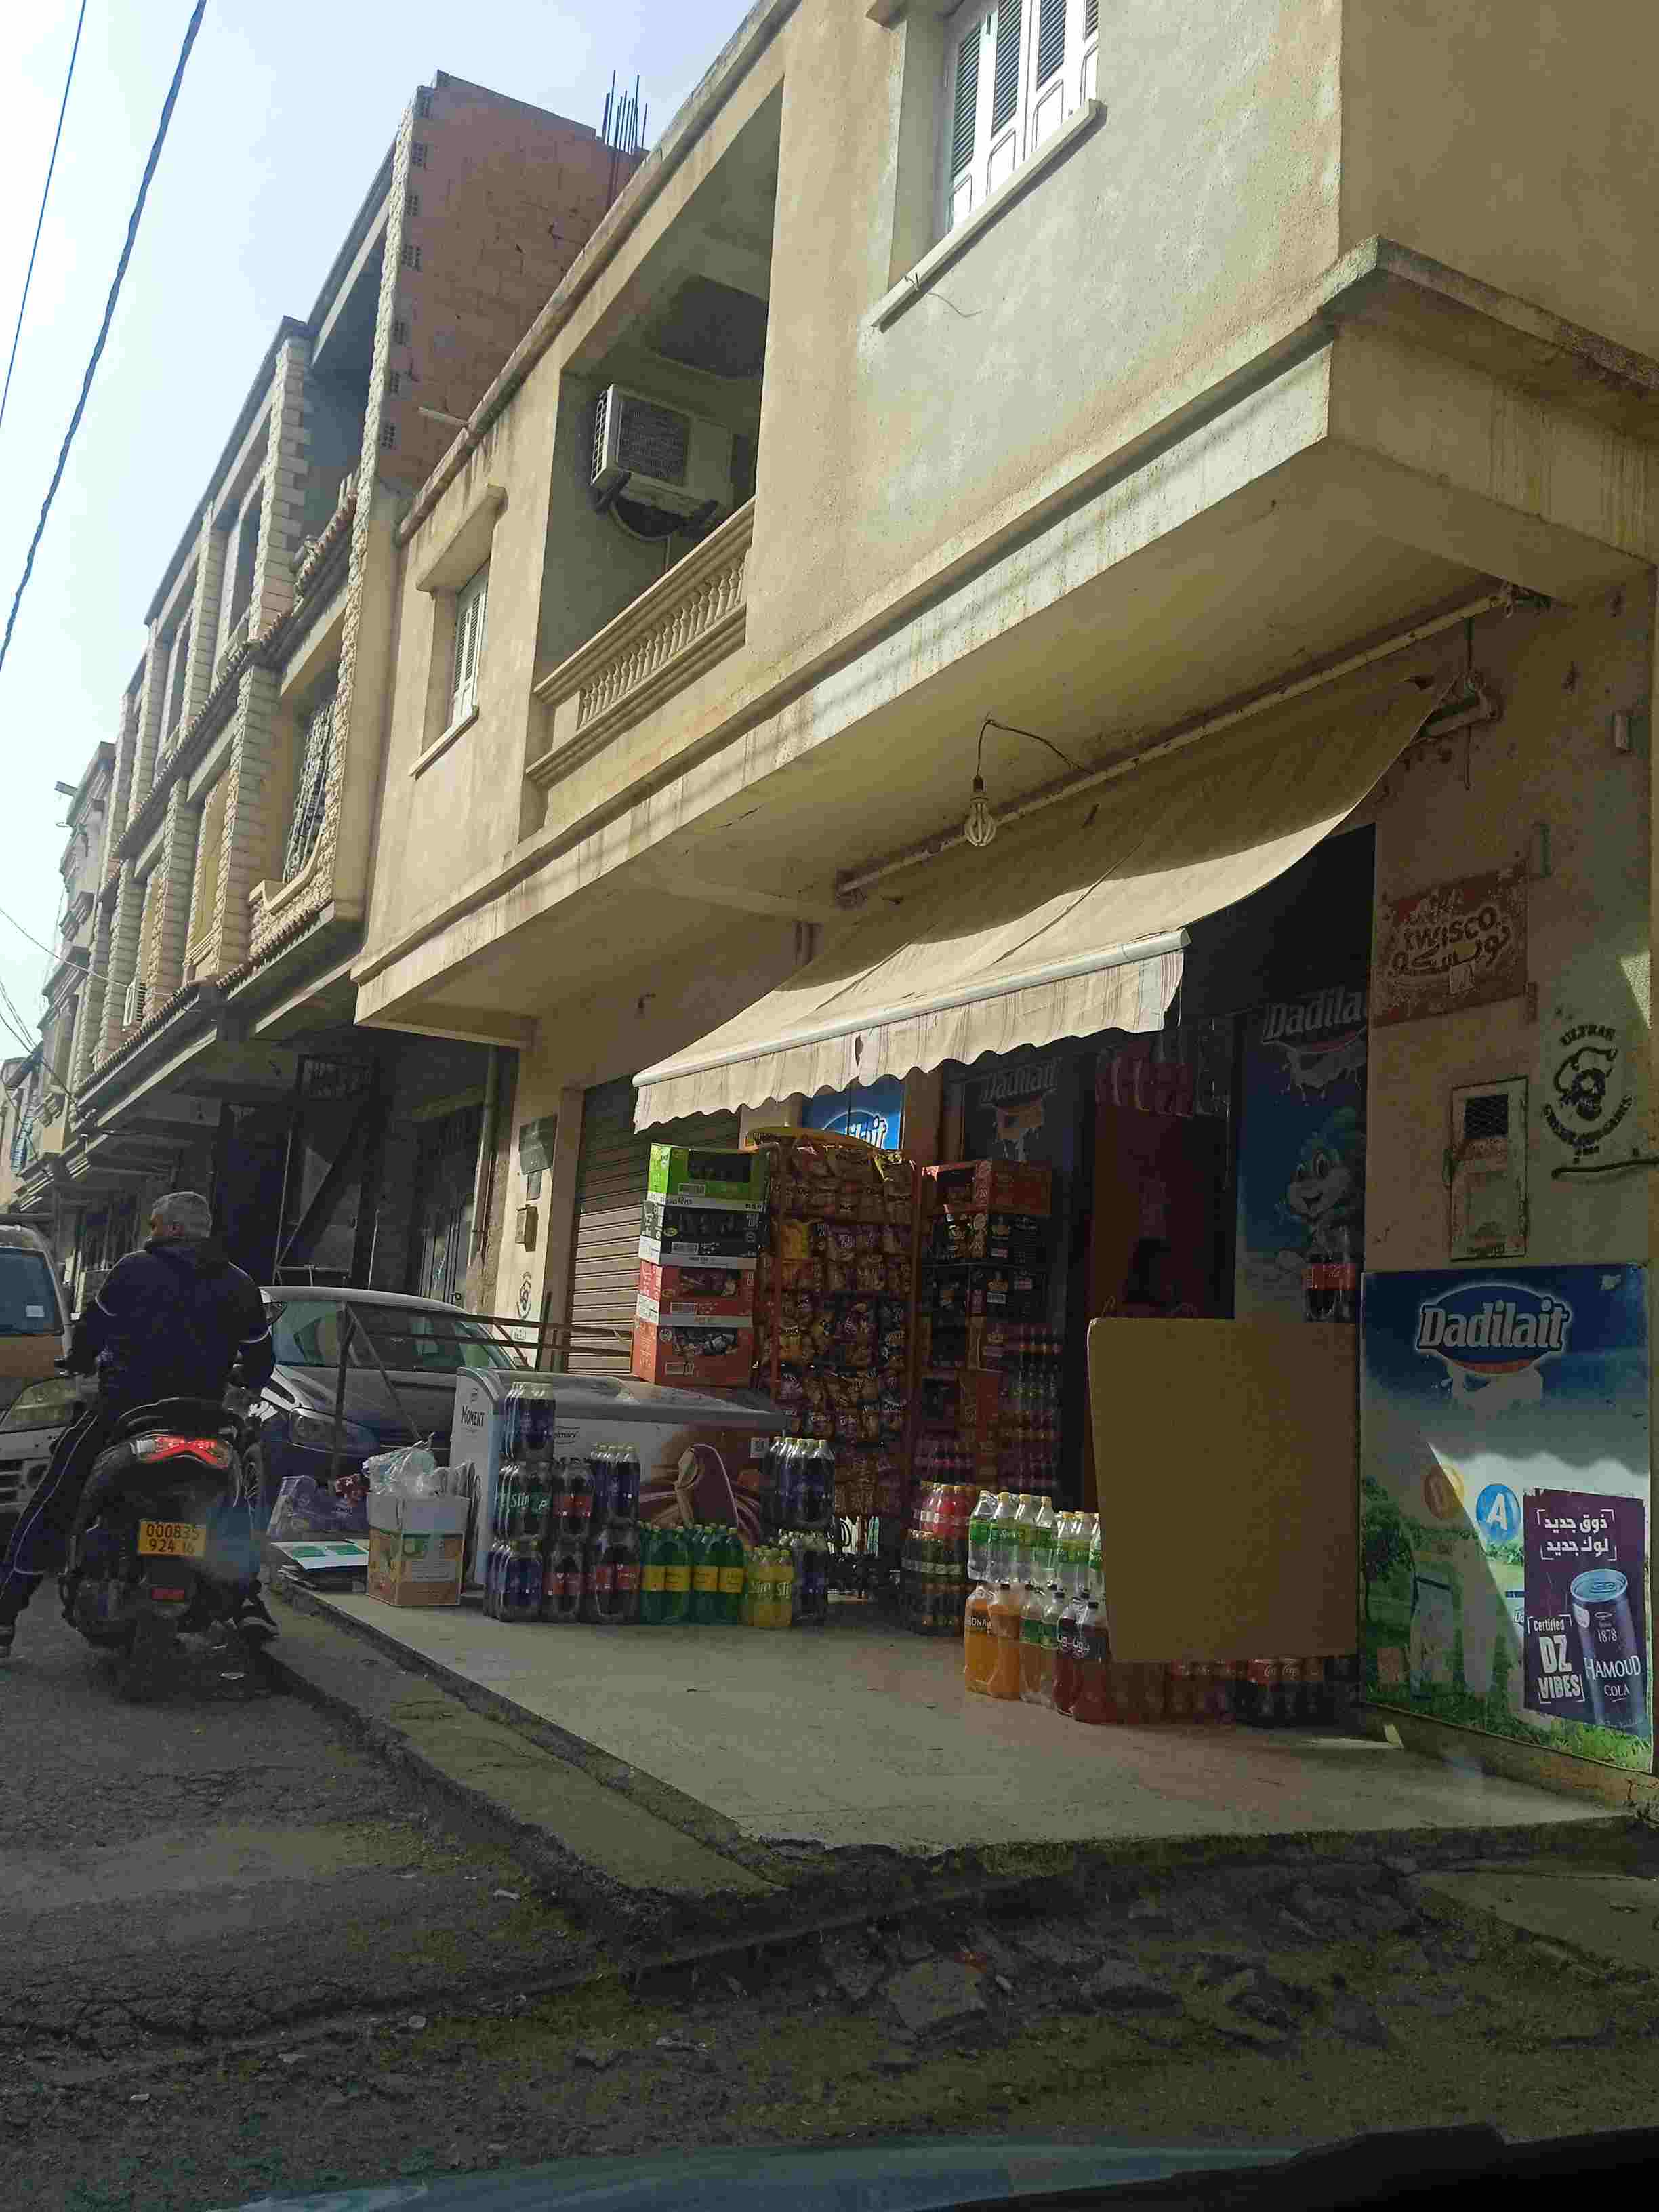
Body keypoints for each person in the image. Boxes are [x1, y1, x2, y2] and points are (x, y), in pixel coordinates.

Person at [0, 1191, 274, 1660]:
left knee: (57, 1496)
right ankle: (248, 1600)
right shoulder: (240, 1282)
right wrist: (243, 1385)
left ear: (172, 1228)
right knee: (234, 1502)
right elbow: (261, 1359)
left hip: (125, 1412)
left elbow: (91, 1332)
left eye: (154, 1224)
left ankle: (6, 1614)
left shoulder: (133, 1269)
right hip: (204, 1418)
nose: (151, 1231)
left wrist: (79, 1364)